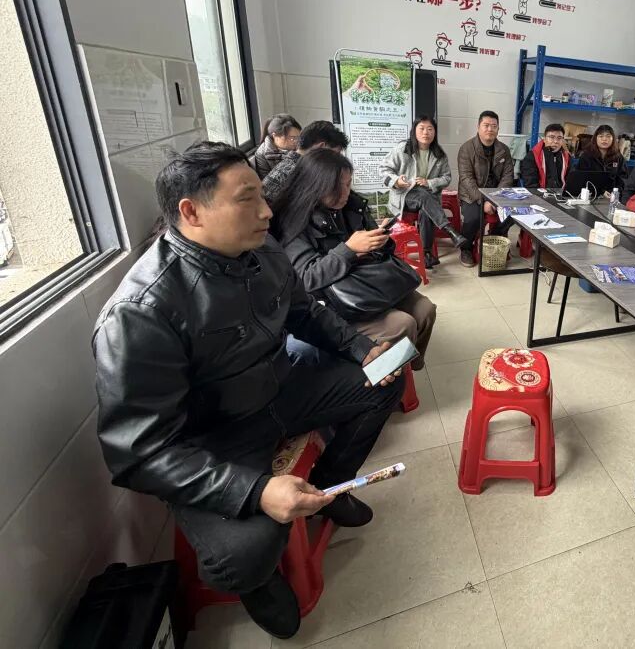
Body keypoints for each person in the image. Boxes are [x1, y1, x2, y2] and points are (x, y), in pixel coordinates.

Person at [93, 142, 404, 640]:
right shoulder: (141, 311)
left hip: (280, 388)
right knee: (244, 556)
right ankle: (256, 583)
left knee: (385, 377)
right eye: (247, 199)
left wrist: (360, 349)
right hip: (216, 438)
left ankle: (330, 487)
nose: (266, 211)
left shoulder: (261, 249)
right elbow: (138, 453)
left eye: (262, 195)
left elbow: (304, 312)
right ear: (191, 212)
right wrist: (255, 491)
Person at [273, 149, 437, 368]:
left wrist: (381, 241)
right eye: (336, 187)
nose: (345, 193)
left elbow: (381, 249)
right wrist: (349, 250)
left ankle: (409, 365)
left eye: (348, 184)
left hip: (367, 281)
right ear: (315, 186)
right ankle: (386, 374)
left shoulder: (353, 205)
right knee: (402, 324)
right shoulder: (295, 223)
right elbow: (306, 279)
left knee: (426, 310)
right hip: (335, 299)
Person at [380, 116, 468, 267]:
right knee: (423, 196)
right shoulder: (403, 149)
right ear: (414, 131)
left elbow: (447, 178)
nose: (425, 132)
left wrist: (429, 182)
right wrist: (397, 181)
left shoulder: (439, 154)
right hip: (404, 197)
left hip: (427, 199)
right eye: (421, 128)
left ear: (434, 132)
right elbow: (384, 170)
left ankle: (426, 253)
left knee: (426, 206)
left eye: (430, 129)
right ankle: (450, 231)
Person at [456, 110, 515, 267]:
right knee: (473, 218)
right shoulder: (466, 149)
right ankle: (466, 248)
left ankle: (494, 238)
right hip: (471, 195)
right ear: (478, 127)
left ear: (498, 129)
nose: (490, 129)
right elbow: (466, 179)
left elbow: (508, 177)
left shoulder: (504, 150)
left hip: (497, 194)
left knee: (513, 213)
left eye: (494, 126)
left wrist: (495, 200)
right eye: (486, 125)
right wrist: (484, 201)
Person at [262, 120, 349, 204]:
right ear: (321, 147)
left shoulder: (288, 163)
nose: (335, 160)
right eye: (335, 154)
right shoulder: (304, 172)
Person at [572, 123, 627, 196]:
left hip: (613, 196)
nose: (604, 139)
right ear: (595, 139)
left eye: (608, 136)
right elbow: (581, 178)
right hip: (591, 195)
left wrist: (615, 192)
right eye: (601, 136)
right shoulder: (586, 156)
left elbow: (623, 178)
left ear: (613, 139)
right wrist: (601, 192)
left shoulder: (618, 157)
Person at [521, 123, 571, 191]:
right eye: (552, 137)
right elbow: (530, 185)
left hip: (562, 194)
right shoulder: (532, 156)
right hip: (540, 195)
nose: (555, 141)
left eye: (559, 138)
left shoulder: (567, 157)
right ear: (544, 139)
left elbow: (570, 181)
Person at [252, 114, 301, 179]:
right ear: (275, 136)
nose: (296, 141)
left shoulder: (299, 146)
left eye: (298, 137)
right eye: (292, 138)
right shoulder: (261, 154)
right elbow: (266, 182)